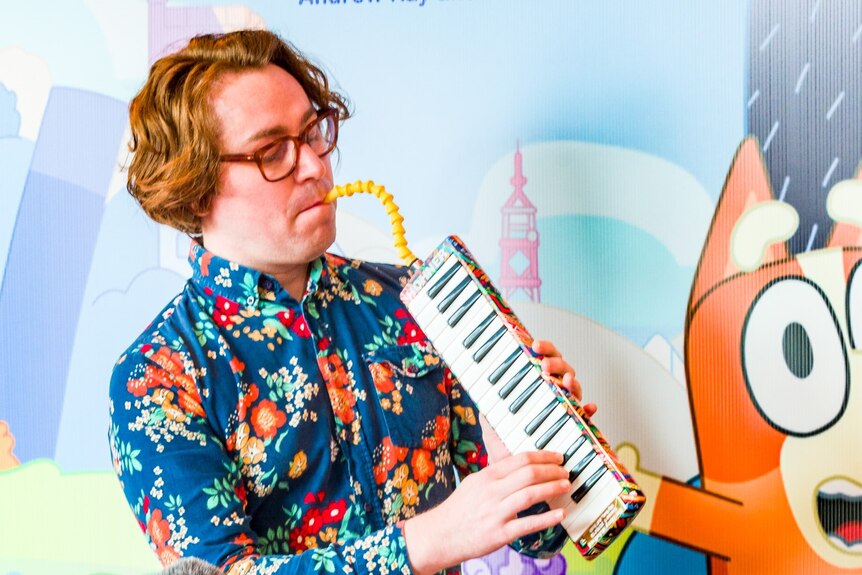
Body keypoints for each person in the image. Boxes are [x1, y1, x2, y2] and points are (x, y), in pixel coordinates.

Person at [109, 29, 594, 575]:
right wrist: (428, 540)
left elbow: (539, 536)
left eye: (314, 133)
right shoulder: (156, 376)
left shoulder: (422, 300)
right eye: (273, 152)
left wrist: (524, 459)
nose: (316, 166)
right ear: (195, 188)